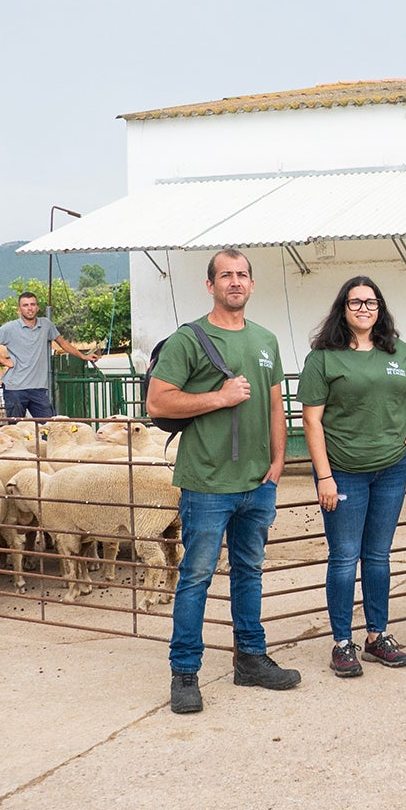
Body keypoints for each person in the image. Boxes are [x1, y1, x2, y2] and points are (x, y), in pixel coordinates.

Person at [148, 249, 299, 714]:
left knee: (250, 571)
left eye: (242, 275)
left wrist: (278, 462)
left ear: (252, 285)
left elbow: (276, 404)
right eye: (225, 275)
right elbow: (158, 404)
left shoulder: (266, 340)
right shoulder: (188, 340)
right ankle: (185, 672)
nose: (235, 282)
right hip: (208, 482)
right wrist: (220, 397)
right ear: (210, 285)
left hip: (258, 481)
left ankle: (250, 658)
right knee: (196, 575)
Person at [301, 276, 406, 677]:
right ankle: (341, 642)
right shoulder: (324, 358)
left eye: (371, 303)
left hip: (390, 468)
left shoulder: (397, 351)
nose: (364, 309)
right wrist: (324, 477)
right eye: (355, 303)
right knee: (343, 558)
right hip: (345, 472)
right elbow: (312, 420)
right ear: (343, 309)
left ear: (380, 308)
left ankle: (377, 636)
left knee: (378, 556)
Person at [0, 291, 100, 419]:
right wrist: (3, 360)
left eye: (32, 304)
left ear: (37, 307)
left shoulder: (46, 325)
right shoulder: (10, 328)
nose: (29, 308)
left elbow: (63, 343)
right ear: (19, 309)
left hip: (38, 388)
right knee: (16, 429)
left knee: (49, 426)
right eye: (25, 305)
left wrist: (83, 356)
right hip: (15, 388)